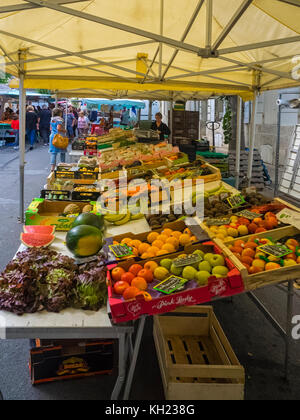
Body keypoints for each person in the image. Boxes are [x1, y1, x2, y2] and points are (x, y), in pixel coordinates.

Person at [49, 108, 67, 172]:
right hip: (59, 137)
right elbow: (58, 128)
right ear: (59, 113)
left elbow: (50, 128)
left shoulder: (52, 119)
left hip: (52, 136)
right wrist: (64, 130)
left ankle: (52, 168)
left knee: (53, 153)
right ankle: (62, 166)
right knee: (62, 152)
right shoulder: (60, 119)